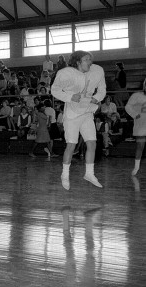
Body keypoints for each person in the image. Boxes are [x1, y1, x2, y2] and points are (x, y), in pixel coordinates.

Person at [51, 50, 106, 190]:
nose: (90, 62)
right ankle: (65, 175)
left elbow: (102, 89)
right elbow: (55, 90)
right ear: (77, 62)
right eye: (86, 59)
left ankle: (89, 174)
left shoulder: (97, 70)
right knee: (71, 145)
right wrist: (70, 97)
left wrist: (97, 98)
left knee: (92, 143)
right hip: (72, 114)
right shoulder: (66, 73)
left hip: (87, 112)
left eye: (90, 59)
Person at [125, 78, 146, 176]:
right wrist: (135, 114)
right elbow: (128, 106)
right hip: (141, 125)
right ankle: (136, 167)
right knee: (140, 146)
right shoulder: (136, 95)